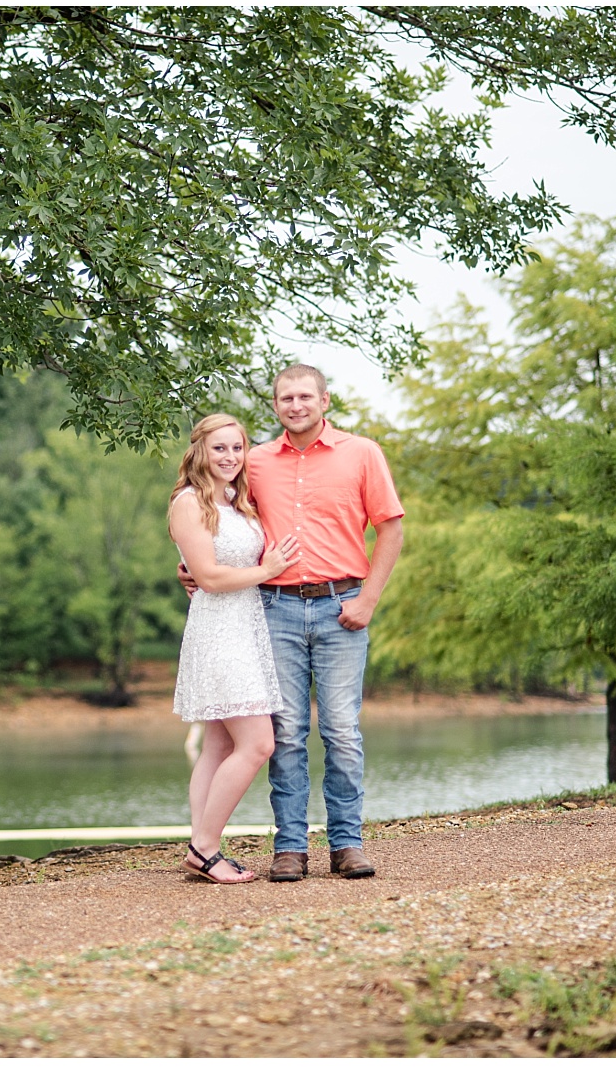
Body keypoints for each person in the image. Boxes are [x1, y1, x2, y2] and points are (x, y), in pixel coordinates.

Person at [181, 365, 404, 881]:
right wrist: (192, 567)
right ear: (276, 405)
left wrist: (369, 598)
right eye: (286, 397)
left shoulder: (363, 453)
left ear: (325, 400)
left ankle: (347, 843)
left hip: (341, 605)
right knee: (285, 733)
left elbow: (390, 528)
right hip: (272, 609)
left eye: (306, 396)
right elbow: (224, 522)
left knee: (342, 732)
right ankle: (290, 847)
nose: (296, 404)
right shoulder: (254, 461)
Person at [167, 414, 299, 884]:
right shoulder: (188, 502)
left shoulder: (233, 501)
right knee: (259, 742)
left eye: (237, 448)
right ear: (199, 450)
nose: (229, 457)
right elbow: (208, 577)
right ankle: (203, 849)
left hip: (246, 627)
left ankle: (203, 845)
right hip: (220, 632)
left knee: (220, 744)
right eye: (219, 448)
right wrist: (268, 570)